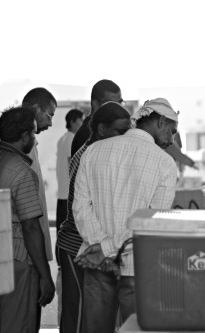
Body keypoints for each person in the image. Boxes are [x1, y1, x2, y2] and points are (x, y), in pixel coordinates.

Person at [73, 98, 178, 332]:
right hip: (137, 268)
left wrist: (101, 248)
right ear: (160, 121)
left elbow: (79, 207)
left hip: (96, 262)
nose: (171, 140)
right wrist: (109, 249)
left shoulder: (93, 151)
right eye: (172, 131)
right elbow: (151, 223)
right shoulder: (165, 164)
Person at [0, 106, 55, 333]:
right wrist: (45, 277)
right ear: (24, 136)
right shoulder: (22, 172)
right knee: (18, 324)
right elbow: (31, 228)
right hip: (16, 261)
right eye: (34, 135)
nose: (35, 141)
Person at [57, 103, 131, 333]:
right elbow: (82, 209)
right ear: (101, 130)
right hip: (78, 245)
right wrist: (103, 247)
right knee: (78, 316)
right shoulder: (87, 156)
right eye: (120, 131)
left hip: (97, 247)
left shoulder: (107, 154)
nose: (125, 137)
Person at [22, 87, 57, 329]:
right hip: (26, 257)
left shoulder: (30, 147)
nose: (51, 122)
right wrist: (45, 274)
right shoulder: (21, 152)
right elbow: (30, 220)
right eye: (50, 114)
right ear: (35, 111)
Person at [71, 79, 123, 156]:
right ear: (96, 104)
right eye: (112, 104)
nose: (118, 109)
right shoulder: (87, 135)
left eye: (120, 103)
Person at [56, 109, 84, 238]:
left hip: (62, 192)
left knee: (62, 232)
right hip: (69, 194)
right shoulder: (71, 139)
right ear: (72, 122)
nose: (82, 124)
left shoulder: (62, 138)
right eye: (80, 121)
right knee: (69, 235)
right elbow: (71, 163)